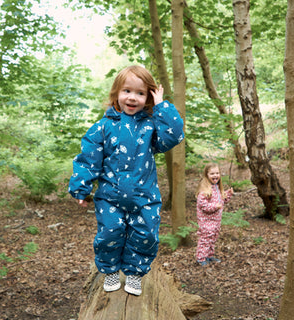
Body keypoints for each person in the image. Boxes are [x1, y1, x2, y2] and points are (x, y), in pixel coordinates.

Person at [68, 65, 184, 295]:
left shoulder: (151, 126)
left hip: (145, 197)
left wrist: (162, 107)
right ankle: (110, 270)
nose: (132, 97)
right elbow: (88, 158)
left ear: (148, 97)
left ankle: (134, 273)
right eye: (127, 91)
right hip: (110, 197)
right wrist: (81, 188)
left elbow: (174, 136)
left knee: (147, 234)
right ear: (116, 94)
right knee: (110, 233)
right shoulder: (103, 127)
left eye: (140, 93)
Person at [195, 163, 233, 266]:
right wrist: (215, 206)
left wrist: (228, 194)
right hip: (206, 221)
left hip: (216, 221)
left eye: (217, 173)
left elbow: (222, 200)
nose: (215, 175)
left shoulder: (217, 187)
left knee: (213, 238)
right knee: (206, 239)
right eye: (212, 173)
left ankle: (209, 256)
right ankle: (201, 258)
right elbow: (203, 205)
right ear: (207, 175)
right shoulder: (204, 190)